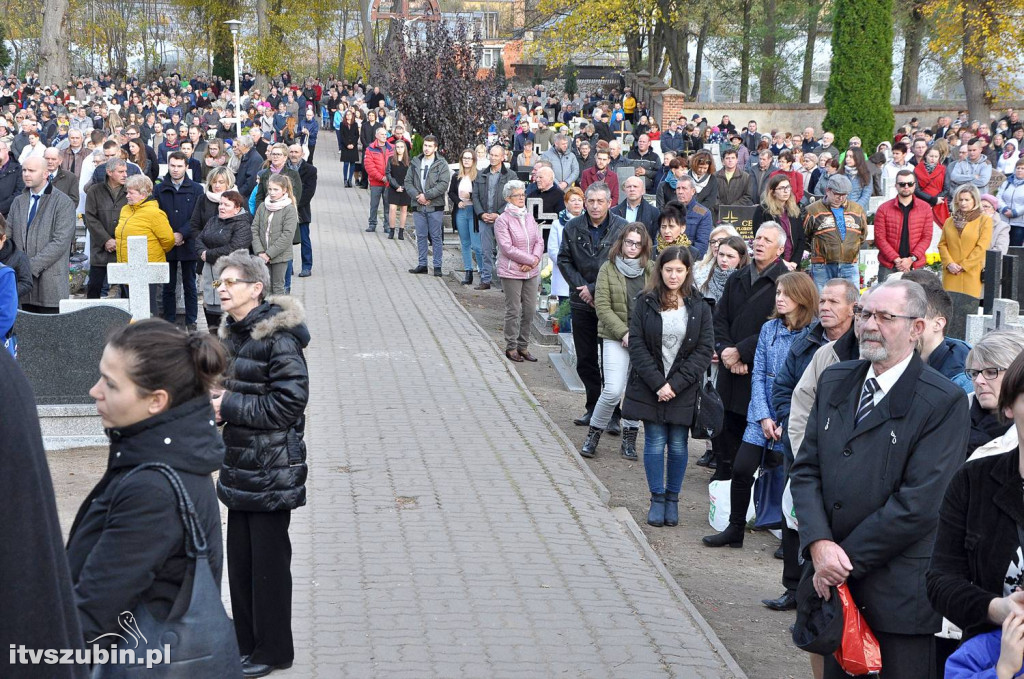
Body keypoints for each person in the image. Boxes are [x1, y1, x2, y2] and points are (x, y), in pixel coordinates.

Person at [791, 279, 970, 679]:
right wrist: (818, 544)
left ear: (917, 328)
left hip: (897, 598)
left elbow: (919, 505)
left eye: (886, 317)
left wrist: (839, 563)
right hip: (833, 592)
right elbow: (806, 469)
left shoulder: (943, 402)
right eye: (865, 313)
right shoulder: (837, 380)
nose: (870, 325)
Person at [65, 319, 227, 657]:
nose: (95, 391)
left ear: (156, 401)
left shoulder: (152, 489)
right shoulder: (165, 455)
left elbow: (92, 618)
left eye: (110, 384)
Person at [211, 250, 309, 678]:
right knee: (243, 564)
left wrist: (228, 404)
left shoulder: (278, 337)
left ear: (256, 288)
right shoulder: (233, 333)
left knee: (268, 568)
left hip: (270, 469)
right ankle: (246, 645)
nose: (223, 289)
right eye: (220, 283)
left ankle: (273, 651)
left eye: (231, 282)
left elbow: (290, 403)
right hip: (240, 465)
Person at [703, 270, 818, 548]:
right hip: (762, 411)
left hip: (793, 416)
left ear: (802, 298)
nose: (779, 298)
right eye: (778, 293)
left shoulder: (812, 336)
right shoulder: (769, 329)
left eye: (786, 294)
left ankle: (787, 537)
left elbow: (806, 385)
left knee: (786, 477)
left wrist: (784, 419)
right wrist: (764, 415)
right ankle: (736, 529)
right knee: (742, 469)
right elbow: (758, 374)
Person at [928, 347, 1024, 675]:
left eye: (991, 371)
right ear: (1009, 406)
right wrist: (998, 608)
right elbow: (941, 581)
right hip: (989, 656)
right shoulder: (974, 481)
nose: (981, 380)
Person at [623, 245, 714, 526]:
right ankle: (657, 497)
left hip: (683, 387)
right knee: (653, 443)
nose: (673, 276)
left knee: (677, 444)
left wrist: (674, 385)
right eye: (668, 270)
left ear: (687, 272)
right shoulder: (645, 301)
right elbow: (636, 345)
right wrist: (658, 383)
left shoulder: (699, 305)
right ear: (660, 271)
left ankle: (673, 498)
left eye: (679, 270)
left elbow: (703, 349)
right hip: (650, 385)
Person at [710, 223, 788, 480]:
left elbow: (782, 325)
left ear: (780, 248)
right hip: (729, 365)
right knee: (724, 421)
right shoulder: (738, 277)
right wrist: (725, 351)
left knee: (749, 423)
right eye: (757, 238)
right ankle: (722, 476)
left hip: (758, 369)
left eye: (767, 239)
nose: (760, 243)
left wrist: (742, 352)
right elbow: (720, 318)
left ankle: (746, 484)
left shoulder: (785, 282)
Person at [558, 182, 628, 427]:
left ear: (609, 202)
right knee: (586, 358)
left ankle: (613, 413)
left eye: (600, 201)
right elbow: (564, 259)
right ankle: (592, 406)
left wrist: (594, 289)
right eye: (591, 201)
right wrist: (583, 288)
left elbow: (625, 262)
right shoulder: (572, 226)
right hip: (581, 301)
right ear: (584, 202)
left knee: (611, 360)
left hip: (611, 303)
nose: (595, 206)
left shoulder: (622, 228)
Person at [584, 224, 655, 459]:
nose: (632, 247)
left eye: (637, 243)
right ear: (621, 243)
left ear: (644, 246)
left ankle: (630, 439)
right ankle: (594, 432)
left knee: (635, 391)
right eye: (628, 242)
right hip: (616, 336)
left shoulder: (651, 270)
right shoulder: (608, 268)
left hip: (644, 340)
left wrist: (640, 337)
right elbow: (602, 306)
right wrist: (624, 334)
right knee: (613, 390)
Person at [7, 156, 76, 313]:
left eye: (31, 170)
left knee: (50, 334)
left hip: (50, 285)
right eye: (24, 170)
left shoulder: (62, 202)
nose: (26, 174)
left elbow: (60, 242)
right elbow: (7, 236)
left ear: (46, 174)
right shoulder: (18, 201)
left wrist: (28, 267)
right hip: (22, 288)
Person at [494, 180, 544, 363]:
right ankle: (511, 347)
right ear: (508, 198)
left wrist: (535, 260)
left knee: (530, 310)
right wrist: (530, 260)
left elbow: (539, 240)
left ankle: (524, 346)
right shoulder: (502, 220)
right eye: (517, 195)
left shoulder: (528, 216)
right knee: (514, 310)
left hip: (530, 271)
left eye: (523, 194)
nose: (521, 198)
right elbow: (507, 248)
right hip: (511, 271)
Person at [155, 152, 204, 330]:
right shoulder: (159, 189)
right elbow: (158, 216)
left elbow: (196, 217)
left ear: (186, 167)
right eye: (172, 166)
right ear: (168, 166)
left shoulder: (197, 189)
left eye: (179, 166)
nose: (175, 170)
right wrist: (170, 236)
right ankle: (169, 320)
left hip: (189, 242)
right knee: (168, 285)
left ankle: (191, 321)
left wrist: (182, 234)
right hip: (167, 243)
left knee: (190, 284)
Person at [961, 330, 1024, 457]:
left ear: (1018, 375)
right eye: (974, 373)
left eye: (990, 372)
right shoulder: (952, 411)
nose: (978, 381)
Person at [197, 190, 252, 333]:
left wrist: (208, 254)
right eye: (220, 204)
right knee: (210, 313)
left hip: (229, 277)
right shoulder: (213, 220)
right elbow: (199, 239)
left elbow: (233, 248)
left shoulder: (242, 225)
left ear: (237, 208)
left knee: (227, 319)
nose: (221, 207)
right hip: (210, 277)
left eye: (226, 205)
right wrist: (202, 252)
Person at [803, 174, 866, 290]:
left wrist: (851, 248)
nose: (841, 198)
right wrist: (818, 250)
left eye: (844, 195)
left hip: (850, 263)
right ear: (828, 190)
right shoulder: (813, 210)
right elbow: (805, 236)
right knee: (822, 301)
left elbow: (862, 235)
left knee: (852, 302)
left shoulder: (857, 209)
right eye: (837, 194)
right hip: (822, 265)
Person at [873, 169, 933, 282]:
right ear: (896, 186)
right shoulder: (883, 209)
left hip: (915, 264)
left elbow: (927, 237)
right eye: (902, 184)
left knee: (916, 299)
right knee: (885, 299)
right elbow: (880, 238)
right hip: (889, 265)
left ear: (914, 185)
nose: (906, 187)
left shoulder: (925, 208)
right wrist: (896, 260)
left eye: (910, 184)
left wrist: (911, 259)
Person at [405, 135, 451, 277]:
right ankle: (422, 264)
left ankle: (437, 266)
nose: (426, 148)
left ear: (435, 148)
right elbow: (408, 182)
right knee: (421, 235)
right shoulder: (415, 162)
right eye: (425, 145)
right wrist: (418, 196)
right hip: (418, 205)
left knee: (436, 237)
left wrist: (427, 195)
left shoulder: (441, 164)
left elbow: (443, 184)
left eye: (430, 146)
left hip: (434, 206)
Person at [83, 158, 128, 300]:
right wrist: (106, 240)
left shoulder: (130, 191)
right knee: (95, 287)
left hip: (124, 248)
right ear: (109, 172)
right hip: (100, 249)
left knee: (127, 289)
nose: (125, 174)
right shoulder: (95, 191)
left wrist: (119, 241)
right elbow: (90, 217)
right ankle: (91, 320)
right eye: (121, 172)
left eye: (125, 171)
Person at [939, 184, 993, 300]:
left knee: (969, 308)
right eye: (960, 200)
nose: (963, 203)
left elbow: (982, 247)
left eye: (967, 200)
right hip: (950, 273)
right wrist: (949, 263)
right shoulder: (949, 221)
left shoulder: (985, 221)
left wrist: (964, 266)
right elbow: (942, 244)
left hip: (971, 274)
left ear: (975, 200)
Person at [473, 144, 513, 290]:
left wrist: (499, 214)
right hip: (484, 217)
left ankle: (505, 282)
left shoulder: (510, 175)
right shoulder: (481, 174)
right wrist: (481, 214)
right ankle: (486, 279)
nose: (493, 158)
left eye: (497, 155)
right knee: (486, 250)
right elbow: (475, 196)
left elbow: (512, 197)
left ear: (503, 157)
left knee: (505, 250)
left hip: (503, 218)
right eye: (491, 154)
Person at [250, 173, 298, 296]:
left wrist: (269, 254)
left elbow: (287, 236)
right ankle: (265, 313)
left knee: (277, 287)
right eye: (270, 189)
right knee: (264, 287)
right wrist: (260, 251)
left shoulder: (289, 209)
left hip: (279, 256)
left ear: (284, 190)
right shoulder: (262, 206)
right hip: (262, 254)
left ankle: (278, 313)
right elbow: (254, 228)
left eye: (276, 189)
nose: (272, 192)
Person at [753, 173, 805, 271]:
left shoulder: (794, 210)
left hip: (793, 264)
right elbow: (760, 239)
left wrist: (794, 262)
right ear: (773, 192)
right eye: (781, 188)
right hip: (771, 264)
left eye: (788, 187)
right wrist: (781, 262)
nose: (786, 191)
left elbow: (801, 239)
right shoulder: (763, 210)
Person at [285, 143, 317, 282]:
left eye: (296, 152)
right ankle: (288, 266)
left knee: (304, 239)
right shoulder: (284, 169)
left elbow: (309, 192)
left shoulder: (310, 170)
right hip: (284, 208)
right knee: (286, 239)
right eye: (291, 152)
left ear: (302, 154)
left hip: (301, 210)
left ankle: (306, 266)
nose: (293, 154)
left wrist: (295, 205)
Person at [548, 186, 584, 302]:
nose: (577, 203)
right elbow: (553, 249)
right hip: (563, 273)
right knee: (565, 313)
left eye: (579, 200)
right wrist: (567, 264)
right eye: (573, 200)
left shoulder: (589, 222)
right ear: (566, 203)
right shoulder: (557, 224)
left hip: (584, 274)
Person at [449, 148, 479, 285]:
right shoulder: (456, 176)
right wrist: (458, 201)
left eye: (469, 158)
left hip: (473, 211)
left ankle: (483, 272)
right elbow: (451, 193)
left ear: (473, 160)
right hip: (461, 211)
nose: (467, 160)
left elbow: (480, 194)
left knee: (476, 245)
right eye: (464, 158)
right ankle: (468, 272)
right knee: (465, 243)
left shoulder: (478, 176)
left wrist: (470, 196)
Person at [673, 176, 714, 258]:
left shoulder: (703, 213)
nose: (680, 192)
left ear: (693, 191)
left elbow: (701, 245)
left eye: (684, 188)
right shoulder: (670, 210)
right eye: (678, 188)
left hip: (691, 260)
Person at [693, 224, 740, 291]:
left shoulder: (744, 271)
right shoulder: (698, 269)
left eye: (721, 241)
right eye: (713, 241)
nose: (716, 245)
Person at [363, 126, 392, 233]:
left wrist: (388, 178)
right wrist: (381, 177)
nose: (384, 136)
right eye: (382, 134)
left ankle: (387, 226)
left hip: (389, 182)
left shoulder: (391, 148)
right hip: (376, 182)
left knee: (387, 205)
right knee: (374, 204)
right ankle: (372, 224)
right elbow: (369, 167)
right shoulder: (370, 149)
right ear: (376, 136)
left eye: (385, 134)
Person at [612, 176, 660, 241]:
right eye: (628, 187)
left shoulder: (654, 212)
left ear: (643, 191)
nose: (632, 189)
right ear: (625, 190)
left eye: (635, 186)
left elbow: (654, 239)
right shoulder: (614, 212)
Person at [915, 146, 950, 227]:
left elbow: (947, 189)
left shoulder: (943, 169)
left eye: (936, 157)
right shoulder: (917, 169)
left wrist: (936, 200)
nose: (933, 159)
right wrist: (931, 200)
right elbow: (916, 189)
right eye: (931, 156)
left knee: (941, 228)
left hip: (939, 202)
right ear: (926, 156)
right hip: (922, 201)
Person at [386, 138, 412, 242]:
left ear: (405, 148)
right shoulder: (391, 159)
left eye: (401, 147)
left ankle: (401, 231)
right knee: (392, 209)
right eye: (397, 147)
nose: (399, 149)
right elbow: (388, 174)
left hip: (405, 188)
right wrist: (396, 186)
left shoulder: (409, 161)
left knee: (404, 210)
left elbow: (411, 176)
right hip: (393, 187)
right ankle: (392, 230)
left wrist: (404, 187)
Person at [997, 158, 1024, 247]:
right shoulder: (1007, 182)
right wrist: (1004, 208)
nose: (1019, 170)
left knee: (1015, 248)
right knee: (1001, 246)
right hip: (1003, 220)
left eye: (1022, 168)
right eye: (1018, 168)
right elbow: (999, 197)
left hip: (1019, 223)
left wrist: (1015, 212)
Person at [841, 147, 874, 213]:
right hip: (841, 210)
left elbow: (866, 194)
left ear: (858, 158)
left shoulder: (866, 174)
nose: (847, 159)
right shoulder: (840, 174)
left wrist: (855, 207)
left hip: (859, 211)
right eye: (846, 156)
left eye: (851, 156)